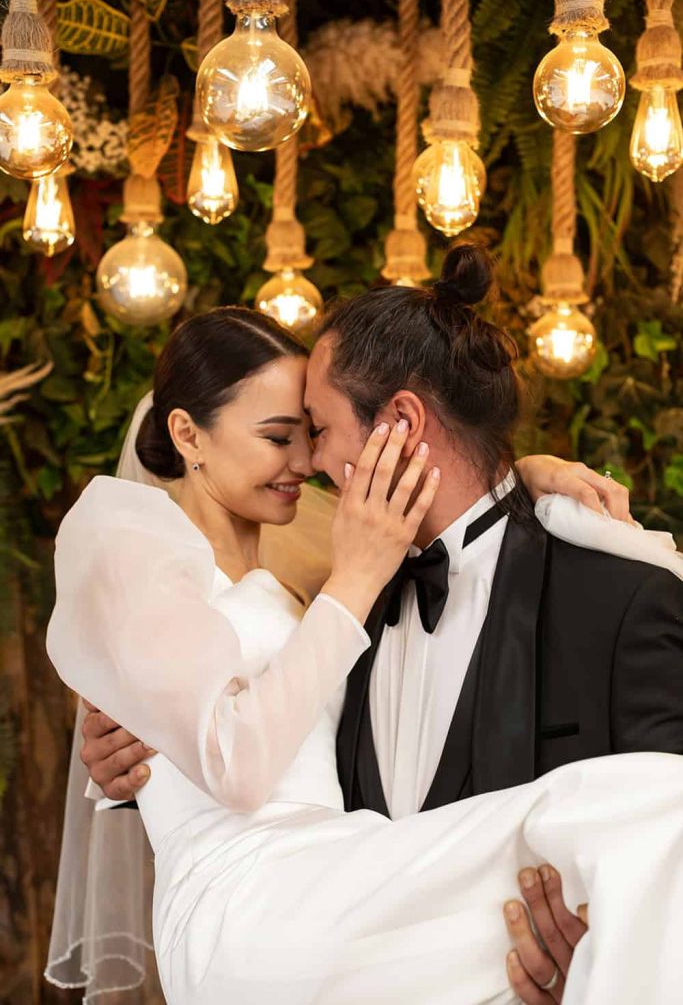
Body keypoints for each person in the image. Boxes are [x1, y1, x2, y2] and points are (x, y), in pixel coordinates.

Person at [52, 255, 683, 1003]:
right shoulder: (323, 578)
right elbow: (230, 748)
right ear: (188, 434)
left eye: (314, 431)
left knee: (650, 805)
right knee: (646, 805)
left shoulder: (326, 566)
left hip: (364, 909)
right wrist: (141, 766)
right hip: (264, 916)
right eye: (282, 435)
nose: (308, 463)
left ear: (403, 423)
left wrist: (527, 476)